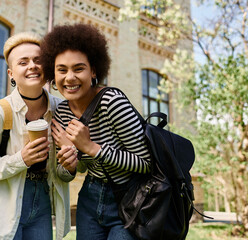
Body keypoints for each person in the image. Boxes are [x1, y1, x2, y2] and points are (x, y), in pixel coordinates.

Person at [40, 24, 152, 240]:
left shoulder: (112, 103)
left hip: (128, 198)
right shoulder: (62, 112)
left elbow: (145, 162)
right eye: (62, 69)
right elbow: (72, 171)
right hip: (89, 199)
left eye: (78, 68)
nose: (69, 77)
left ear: (93, 71)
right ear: (53, 73)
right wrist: (69, 161)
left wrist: (90, 147)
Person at [0, 32, 71, 240]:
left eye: (38, 60)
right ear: (11, 73)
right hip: (2, 208)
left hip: (43, 203)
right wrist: (20, 160)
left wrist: (70, 164)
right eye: (23, 62)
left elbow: (65, 172)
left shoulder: (61, 110)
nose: (32, 65)